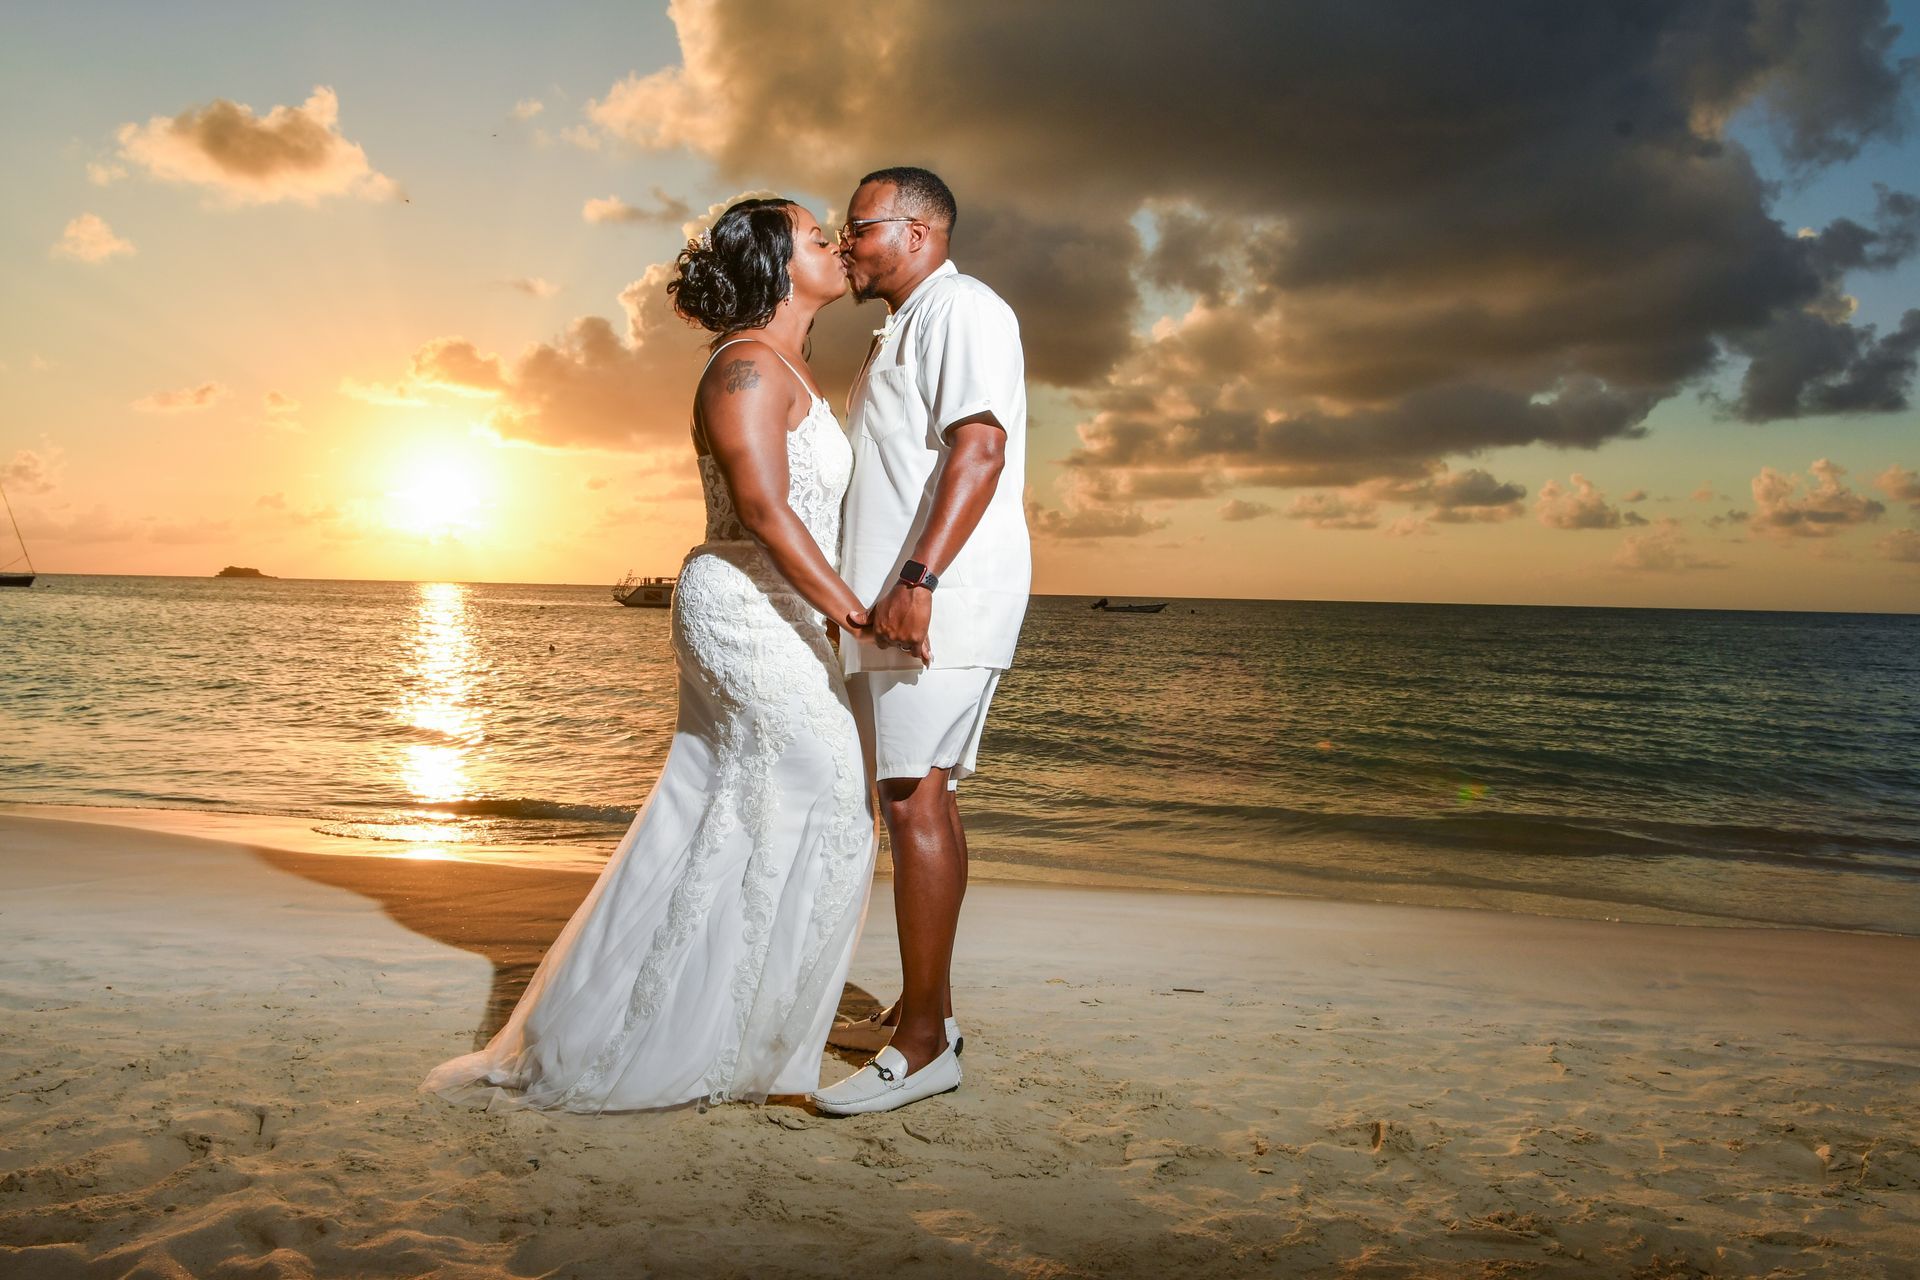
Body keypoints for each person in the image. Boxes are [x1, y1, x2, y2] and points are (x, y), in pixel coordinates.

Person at [421, 197, 878, 1113]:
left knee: (746, 809)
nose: (833, 243)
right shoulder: (744, 366)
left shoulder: (797, 366)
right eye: (815, 234)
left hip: (786, 607)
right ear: (777, 265)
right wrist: (857, 616)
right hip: (744, 607)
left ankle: (727, 1031)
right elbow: (764, 510)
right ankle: (669, 1041)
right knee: (824, 797)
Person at [809, 167, 1031, 1117]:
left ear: (916, 231)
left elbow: (981, 449)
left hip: (939, 601)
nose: (843, 242)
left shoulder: (964, 307)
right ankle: (925, 1007)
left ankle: (926, 1043)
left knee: (912, 800)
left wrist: (916, 582)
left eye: (857, 227)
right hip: (898, 603)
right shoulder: (897, 324)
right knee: (916, 796)